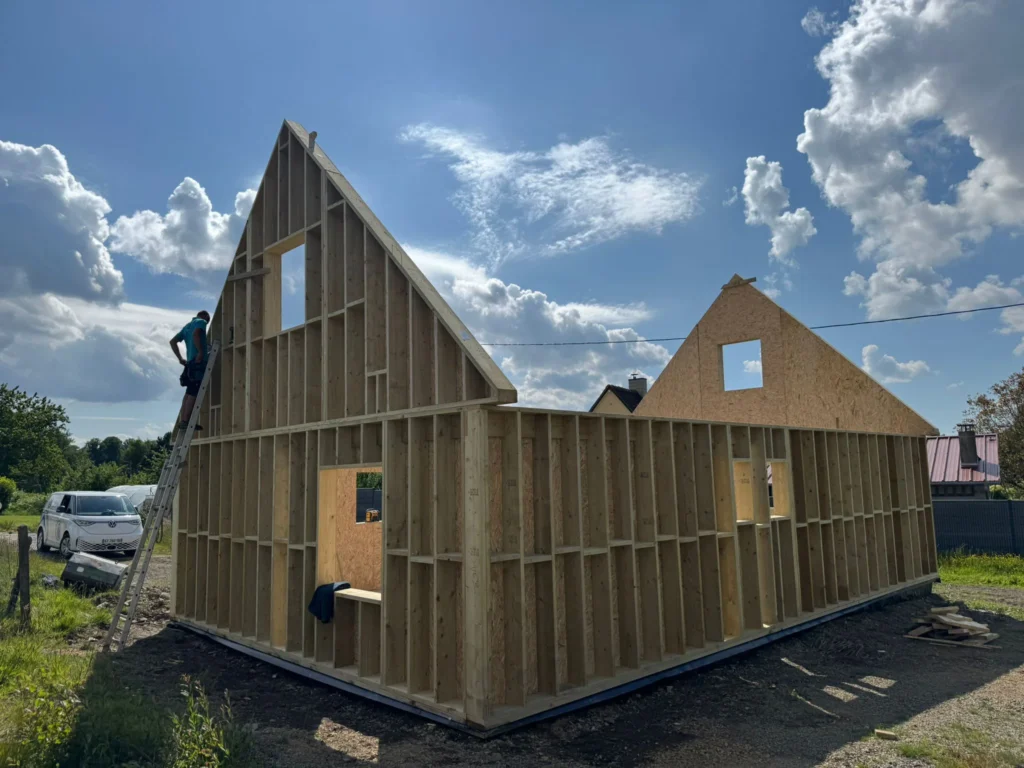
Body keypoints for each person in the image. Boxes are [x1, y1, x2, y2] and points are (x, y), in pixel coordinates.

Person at [170, 310, 211, 431]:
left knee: (188, 393)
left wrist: (180, 358)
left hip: (190, 364)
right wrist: (201, 352)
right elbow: (197, 334)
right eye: (207, 322)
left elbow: (173, 342)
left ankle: (184, 420)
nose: (206, 324)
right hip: (197, 363)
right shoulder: (201, 322)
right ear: (206, 317)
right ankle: (186, 422)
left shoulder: (187, 326)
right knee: (193, 392)